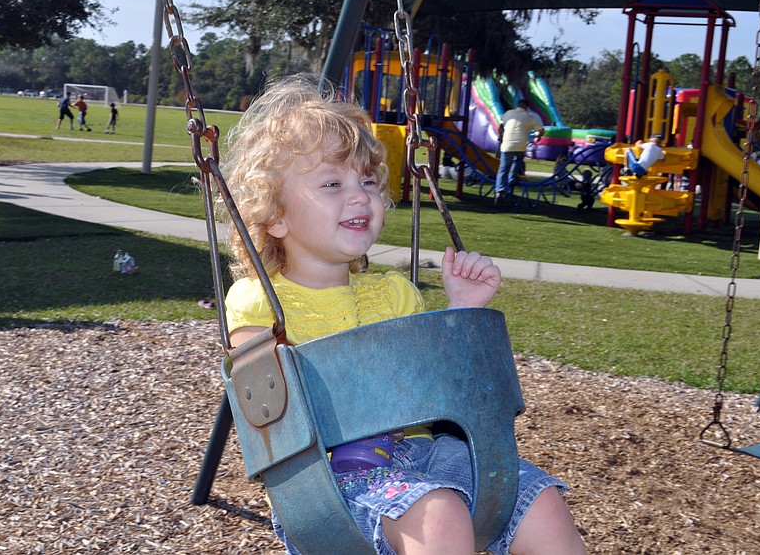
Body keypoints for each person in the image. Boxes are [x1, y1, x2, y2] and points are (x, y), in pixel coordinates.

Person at [222, 74, 586, 555]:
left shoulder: (396, 293)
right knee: (438, 516)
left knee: (541, 504)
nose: (359, 196)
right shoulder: (257, 301)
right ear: (275, 216)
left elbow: (442, 393)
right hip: (333, 477)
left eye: (368, 182)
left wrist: (461, 311)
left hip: (434, 454)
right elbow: (272, 414)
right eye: (332, 183)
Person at [494, 99, 544, 207]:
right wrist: (538, 136)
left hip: (507, 145)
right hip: (520, 145)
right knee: (518, 159)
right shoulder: (529, 117)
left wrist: (502, 136)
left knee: (503, 169)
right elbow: (541, 129)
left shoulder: (509, 113)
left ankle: (499, 191)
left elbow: (501, 125)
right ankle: (512, 179)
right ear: (526, 107)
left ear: (518, 106)